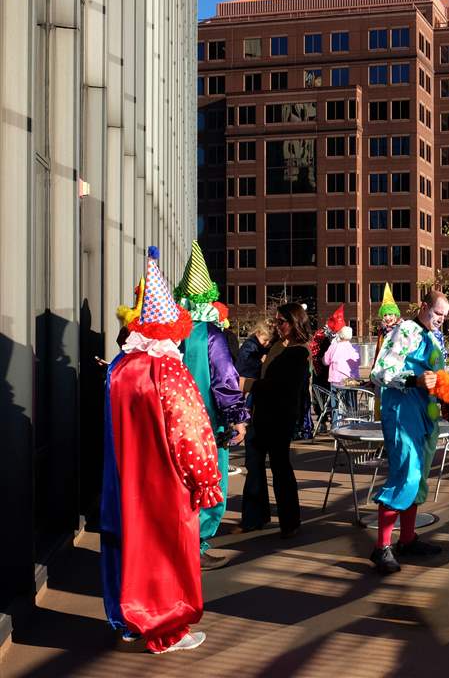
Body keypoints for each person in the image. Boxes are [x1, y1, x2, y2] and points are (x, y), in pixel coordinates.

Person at [101, 247, 221, 653]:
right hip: (166, 481)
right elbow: (191, 431)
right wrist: (205, 479)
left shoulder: (119, 368)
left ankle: (133, 620)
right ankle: (167, 628)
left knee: (133, 549)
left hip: (126, 479)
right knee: (169, 553)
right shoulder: (169, 369)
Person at [174, 240, 249, 570]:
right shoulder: (212, 336)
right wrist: (238, 419)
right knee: (208, 484)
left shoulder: (170, 334)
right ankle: (197, 545)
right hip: (206, 427)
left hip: (173, 426)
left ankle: (178, 543)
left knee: (178, 485)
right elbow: (224, 381)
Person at [368, 289, 449, 574]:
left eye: (444, 316)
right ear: (424, 306)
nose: (441, 319)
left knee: (419, 478)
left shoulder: (433, 336)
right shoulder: (404, 331)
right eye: (437, 313)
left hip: (425, 414)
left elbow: (436, 376)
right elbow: (378, 373)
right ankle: (381, 547)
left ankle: (407, 538)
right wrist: (414, 379)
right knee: (406, 473)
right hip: (402, 413)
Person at [239, 303, 311, 537]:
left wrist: (245, 384)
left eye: (282, 321)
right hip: (263, 413)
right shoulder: (277, 345)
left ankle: (290, 521)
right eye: (276, 321)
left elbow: (281, 387)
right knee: (255, 466)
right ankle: (255, 517)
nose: (277, 325)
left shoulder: (299, 352)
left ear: (294, 322)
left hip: (280, 416)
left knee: (280, 468)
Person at [236, 324, 272, 394]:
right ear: (258, 334)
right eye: (265, 340)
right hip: (246, 376)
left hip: (250, 376)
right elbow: (244, 361)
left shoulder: (259, 345)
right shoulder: (250, 345)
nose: (267, 343)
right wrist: (260, 361)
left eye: (269, 341)